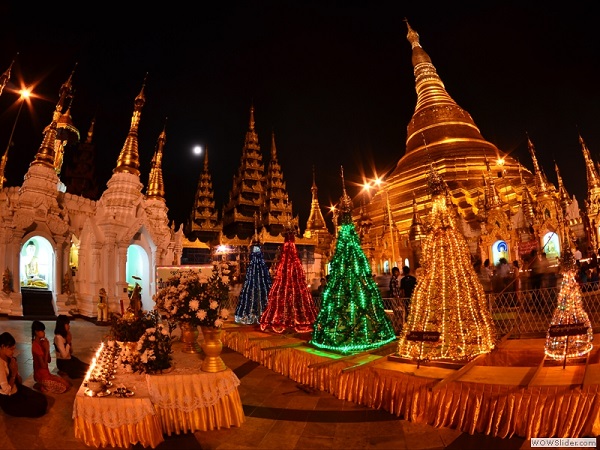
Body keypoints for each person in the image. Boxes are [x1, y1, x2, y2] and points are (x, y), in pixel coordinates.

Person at [0, 331, 48, 417]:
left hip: (17, 389)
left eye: (14, 349)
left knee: (42, 400)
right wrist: (13, 374)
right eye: (11, 349)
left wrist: (16, 371)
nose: (13, 352)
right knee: (37, 408)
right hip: (8, 399)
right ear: (2, 347)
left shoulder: (10, 359)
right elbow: (6, 390)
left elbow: (19, 381)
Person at [31, 321, 71, 394]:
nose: (44, 333)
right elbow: (43, 365)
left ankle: (44, 385)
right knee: (63, 388)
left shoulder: (42, 342)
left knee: (67, 384)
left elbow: (48, 360)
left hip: (46, 373)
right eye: (42, 331)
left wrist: (47, 348)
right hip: (40, 375)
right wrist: (46, 350)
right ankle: (42, 385)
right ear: (36, 332)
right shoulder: (35, 346)